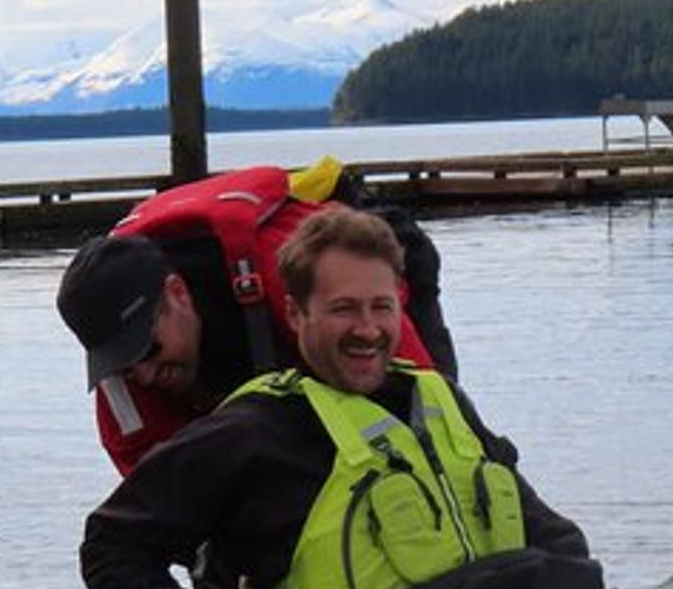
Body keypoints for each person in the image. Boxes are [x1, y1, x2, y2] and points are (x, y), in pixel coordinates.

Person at [79, 206, 604, 589]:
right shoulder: (250, 432)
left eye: (380, 308)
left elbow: (554, 537)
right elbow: (110, 550)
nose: (367, 329)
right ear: (295, 315)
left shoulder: (440, 403)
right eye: (343, 310)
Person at [56, 161, 458, 475]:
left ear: (177, 294)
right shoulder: (113, 346)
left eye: (148, 349)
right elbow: (153, 497)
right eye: (124, 365)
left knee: (435, 436)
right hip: (248, 363)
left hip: (374, 263)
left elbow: (420, 394)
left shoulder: (289, 271)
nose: (142, 374)